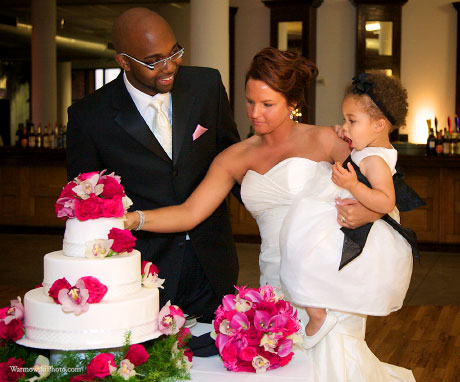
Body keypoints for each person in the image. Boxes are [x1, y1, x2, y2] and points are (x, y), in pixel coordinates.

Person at [124, 47, 416, 379]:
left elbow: (385, 185)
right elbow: (190, 212)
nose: (255, 113)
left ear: (292, 103)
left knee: (334, 365)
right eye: (249, 102)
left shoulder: (326, 139)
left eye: (267, 104)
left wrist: (369, 213)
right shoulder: (234, 157)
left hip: (327, 275)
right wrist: (135, 219)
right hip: (275, 277)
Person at [66, 8, 241, 323]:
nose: (169, 66)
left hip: (212, 261)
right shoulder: (90, 116)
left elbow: (232, 158)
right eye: (153, 60)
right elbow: (87, 204)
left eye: (175, 52)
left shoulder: (206, 85)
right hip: (144, 270)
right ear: (123, 61)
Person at [279, 73, 417, 381]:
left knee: (305, 259)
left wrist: (353, 184)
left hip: (351, 226)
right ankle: (317, 314)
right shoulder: (368, 148)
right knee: (299, 254)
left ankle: (318, 315)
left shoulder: (377, 161)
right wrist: (348, 134)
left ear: (379, 125)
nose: (345, 126)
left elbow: (385, 201)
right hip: (337, 214)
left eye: (352, 120)